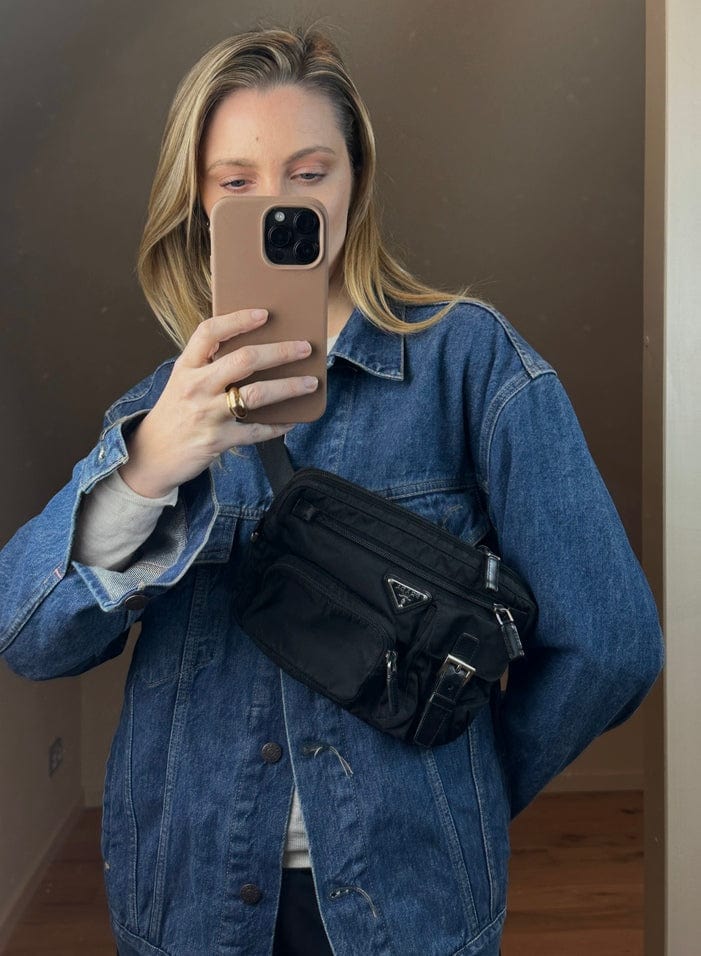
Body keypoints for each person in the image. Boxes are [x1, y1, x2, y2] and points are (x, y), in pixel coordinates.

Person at [0, 26, 663, 956]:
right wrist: (149, 464)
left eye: (308, 173)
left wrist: (463, 790)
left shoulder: (470, 365)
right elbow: (29, 639)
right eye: (236, 182)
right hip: (186, 901)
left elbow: (613, 644)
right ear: (199, 204)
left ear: (355, 184)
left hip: (408, 909)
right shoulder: (159, 408)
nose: (277, 204)